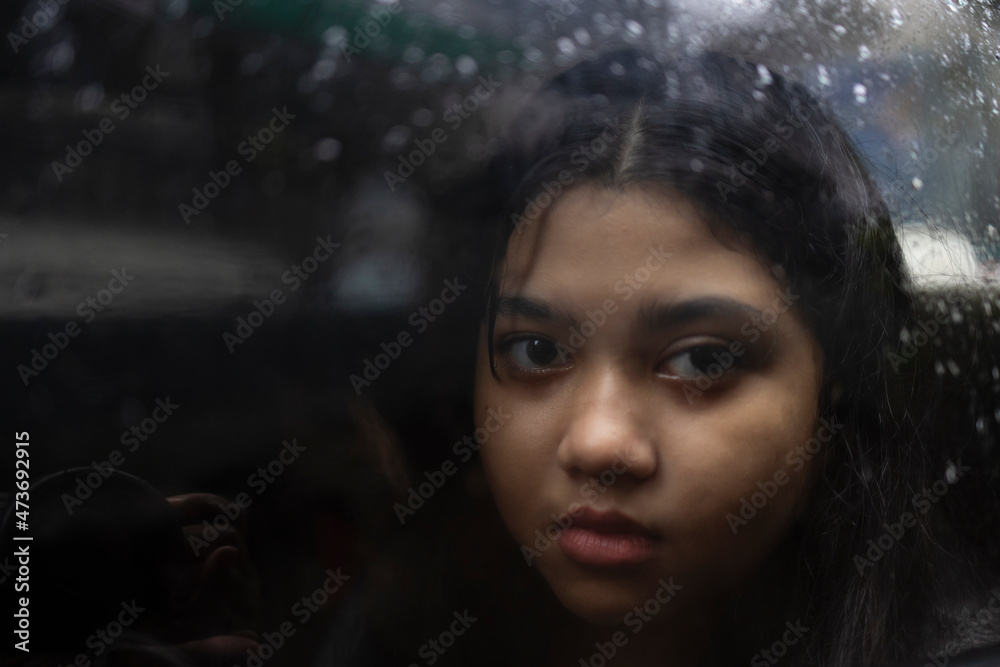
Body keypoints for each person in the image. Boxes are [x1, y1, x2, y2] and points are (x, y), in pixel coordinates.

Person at [447, 48, 1000, 666]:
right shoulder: (402, 620)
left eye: (703, 362)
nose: (598, 444)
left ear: (838, 381)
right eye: (537, 349)